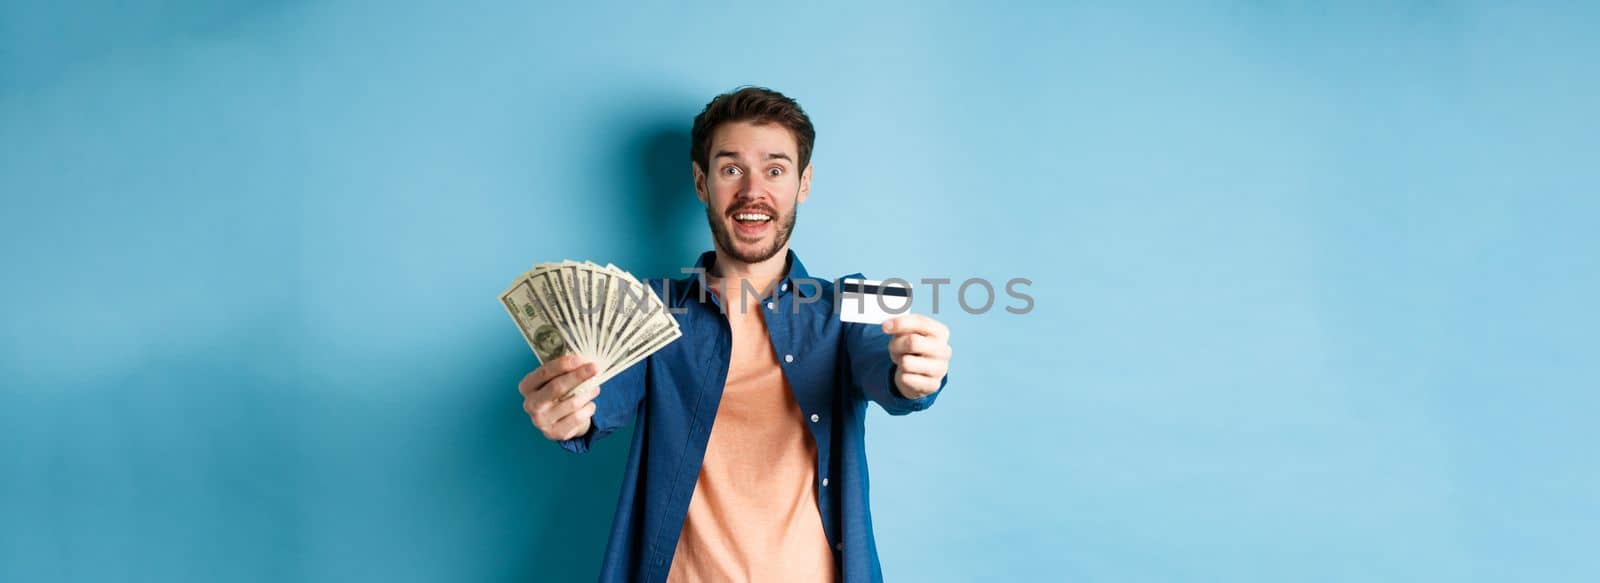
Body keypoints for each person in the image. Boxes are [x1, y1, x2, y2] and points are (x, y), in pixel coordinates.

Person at [517, 86, 953, 582]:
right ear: (702, 183)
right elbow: (598, 396)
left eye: (775, 170)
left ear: (803, 183)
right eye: (731, 169)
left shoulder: (855, 297)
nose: (752, 192)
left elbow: (890, 364)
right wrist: (566, 412)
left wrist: (916, 375)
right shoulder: (646, 305)